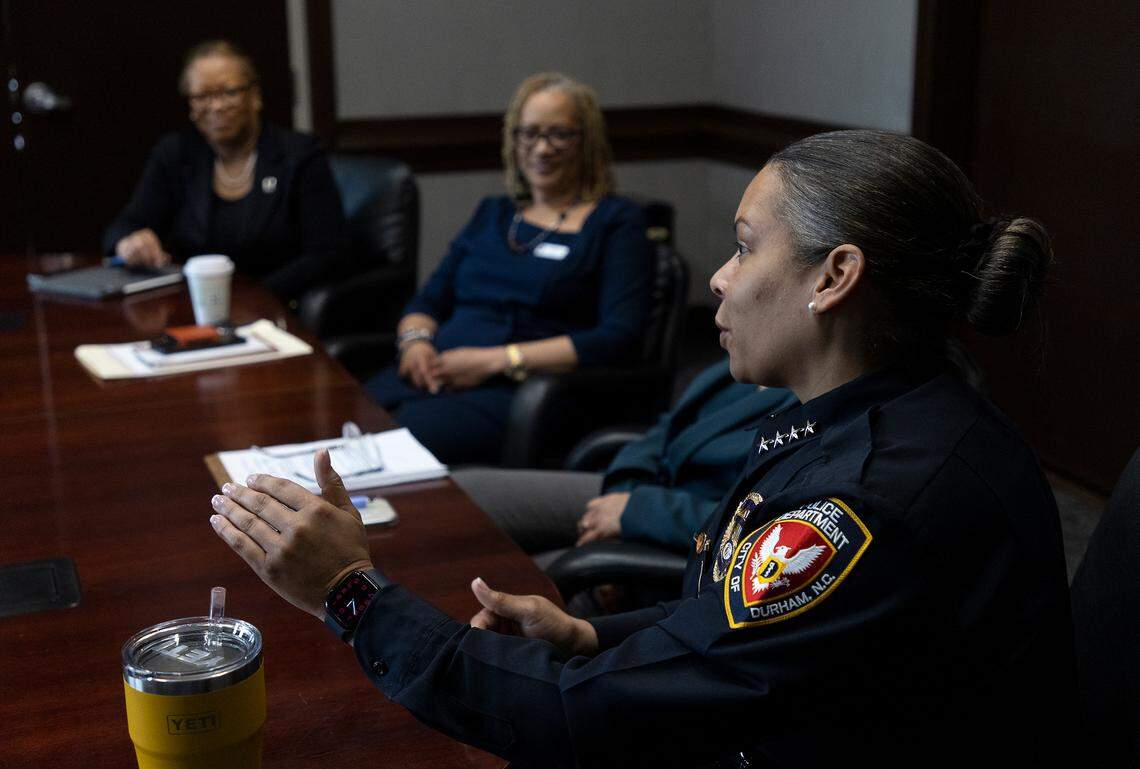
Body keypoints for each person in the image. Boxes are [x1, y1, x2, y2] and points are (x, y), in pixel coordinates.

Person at [208, 130, 1075, 766]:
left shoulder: (866, 503)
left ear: (834, 277)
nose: (719, 278)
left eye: (744, 246)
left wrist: (349, 595)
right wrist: (590, 630)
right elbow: (735, 620)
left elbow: (585, 716)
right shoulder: (863, 411)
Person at [364, 73, 652, 465]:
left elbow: (619, 337)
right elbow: (429, 299)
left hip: (521, 391)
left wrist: (496, 360)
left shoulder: (617, 222)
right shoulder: (493, 213)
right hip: (435, 372)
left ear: (587, 143)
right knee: (344, 423)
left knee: (392, 450)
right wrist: (414, 342)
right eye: (529, 134)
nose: (542, 148)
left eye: (559, 134)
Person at [452, 358, 798, 560]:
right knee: (457, 495)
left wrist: (635, 514)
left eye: (746, 250)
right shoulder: (752, 354)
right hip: (638, 493)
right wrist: (624, 493)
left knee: (502, 585)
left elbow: (768, 532)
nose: (719, 280)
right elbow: (663, 431)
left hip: (679, 541)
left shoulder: (821, 404)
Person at [103, 40, 345, 304]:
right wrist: (129, 243)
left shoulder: (298, 155)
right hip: (195, 305)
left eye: (229, 92)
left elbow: (327, 253)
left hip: (276, 304)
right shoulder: (176, 154)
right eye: (202, 96)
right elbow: (124, 225)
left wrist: (250, 297)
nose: (216, 106)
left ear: (255, 96)